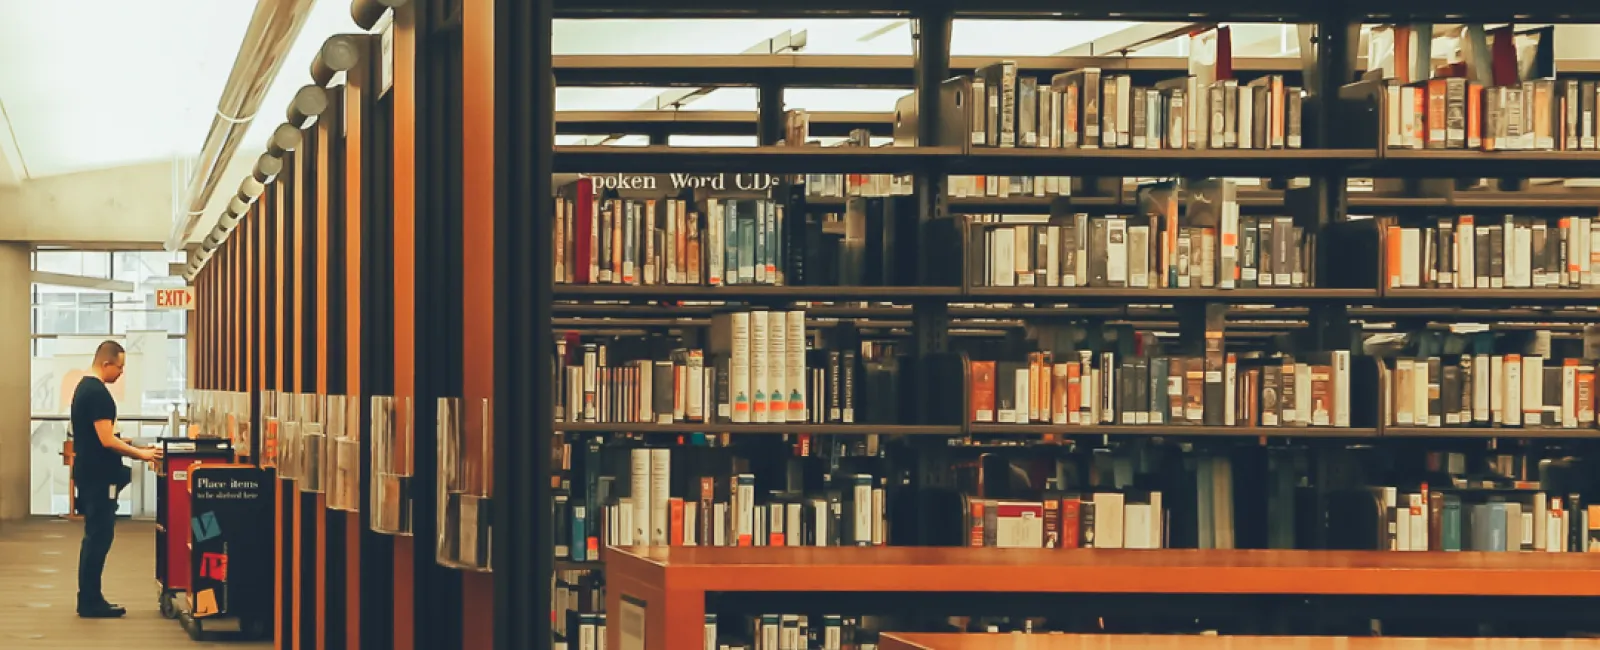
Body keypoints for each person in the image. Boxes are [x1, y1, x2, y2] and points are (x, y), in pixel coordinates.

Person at [71, 340, 163, 618]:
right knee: (99, 537)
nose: (121, 373)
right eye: (120, 367)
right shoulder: (98, 394)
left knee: (95, 536)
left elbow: (99, 436)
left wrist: (136, 446)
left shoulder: (83, 388)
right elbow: (106, 440)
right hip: (99, 477)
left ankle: (89, 597)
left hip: (90, 473)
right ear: (106, 363)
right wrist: (141, 455)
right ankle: (90, 600)